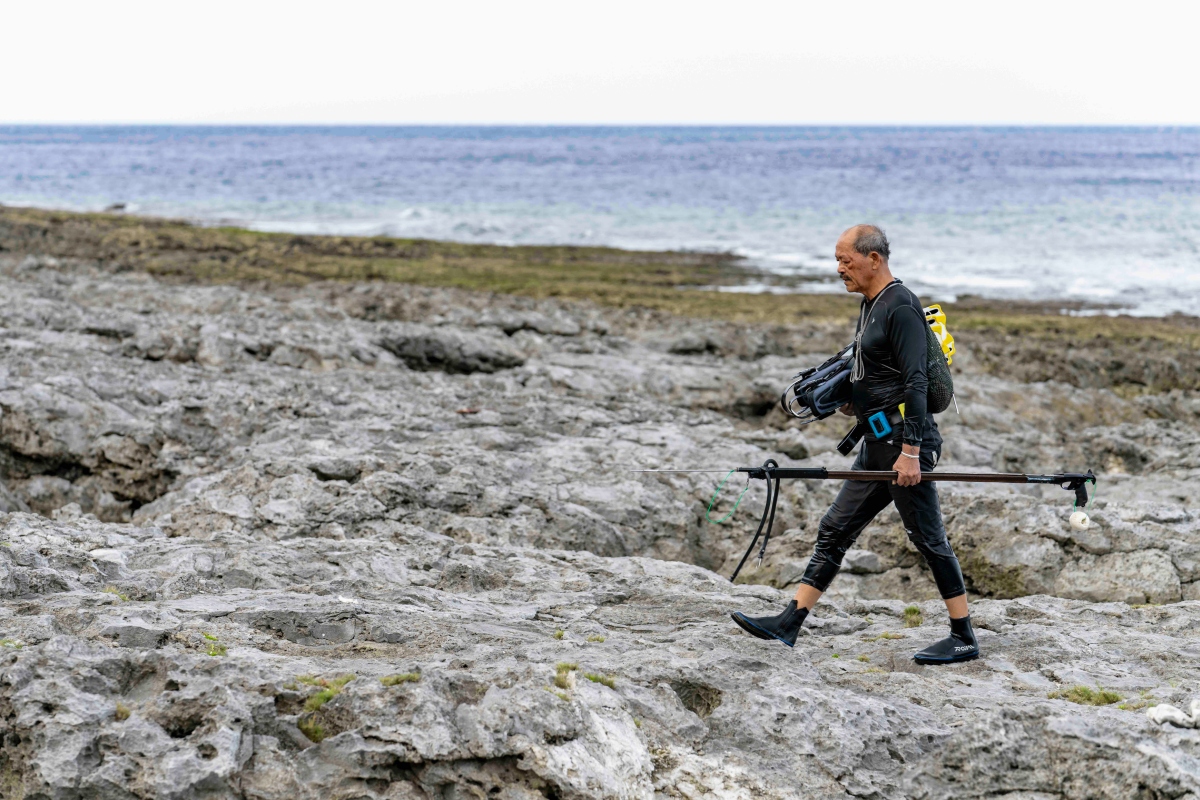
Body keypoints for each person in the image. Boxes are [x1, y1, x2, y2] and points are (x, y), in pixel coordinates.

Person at [730, 225, 978, 664]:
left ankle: (963, 636)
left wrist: (912, 451)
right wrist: (852, 400)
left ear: (875, 259)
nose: (840, 268)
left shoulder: (901, 306)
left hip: (904, 442)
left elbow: (917, 384)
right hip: (876, 441)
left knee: (927, 537)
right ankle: (789, 622)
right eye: (837, 260)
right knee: (835, 529)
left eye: (847, 260)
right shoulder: (870, 305)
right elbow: (879, 371)